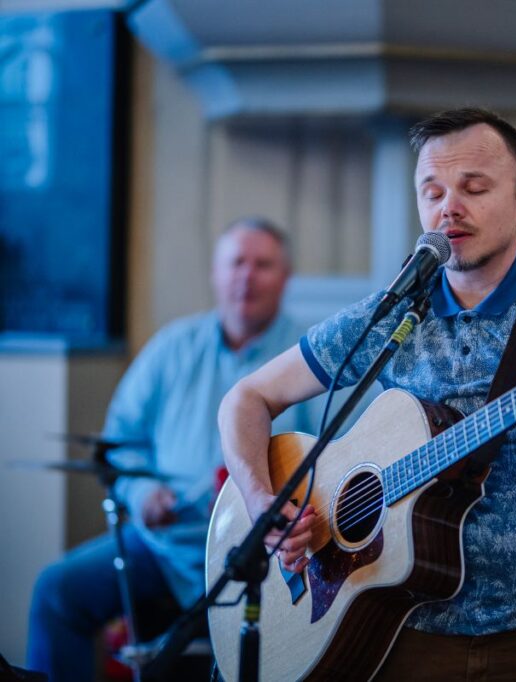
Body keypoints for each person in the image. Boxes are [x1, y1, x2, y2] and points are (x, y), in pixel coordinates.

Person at [219, 108, 516, 680]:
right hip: (395, 631)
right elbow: (246, 398)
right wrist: (261, 501)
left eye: (474, 188)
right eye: (433, 192)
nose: (449, 208)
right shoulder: (391, 314)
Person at [27, 218, 320, 681]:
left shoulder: (309, 354)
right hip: (164, 547)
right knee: (57, 592)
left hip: (263, 553)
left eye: (262, 265)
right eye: (236, 263)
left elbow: (334, 454)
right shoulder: (171, 348)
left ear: (285, 278)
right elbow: (121, 442)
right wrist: (142, 494)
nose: (246, 276)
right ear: (215, 273)